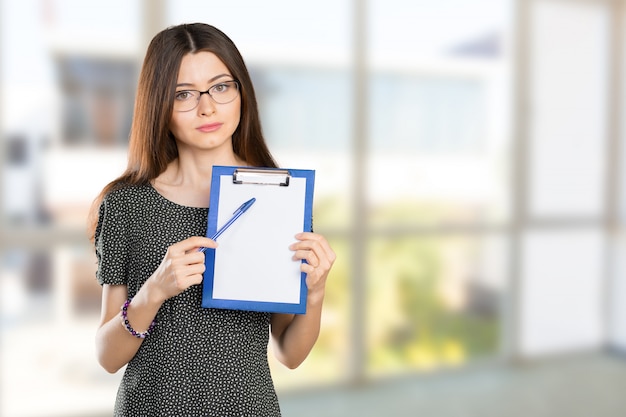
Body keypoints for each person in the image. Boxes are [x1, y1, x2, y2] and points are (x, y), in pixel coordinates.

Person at [87, 22, 336, 416]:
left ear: (242, 92)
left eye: (221, 87)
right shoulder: (125, 206)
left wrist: (317, 291)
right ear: (158, 105)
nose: (207, 107)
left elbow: (289, 353)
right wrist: (154, 291)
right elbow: (107, 356)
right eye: (183, 94)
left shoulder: (278, 197)